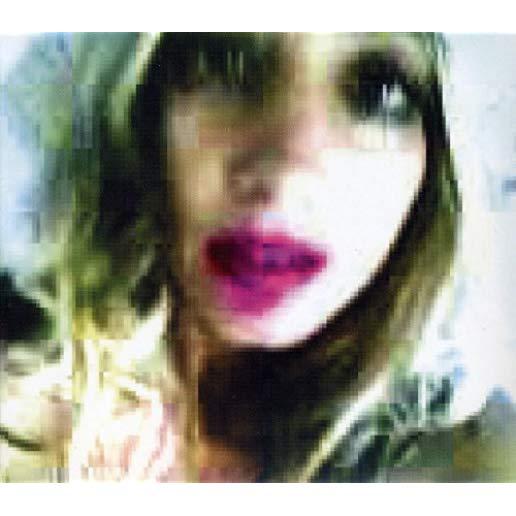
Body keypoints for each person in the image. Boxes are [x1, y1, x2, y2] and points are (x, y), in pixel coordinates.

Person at [2, 33, 515, 482]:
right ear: (141, 106)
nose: (285, 172)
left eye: (379, 91)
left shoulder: (474, 466)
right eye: (223, 59)